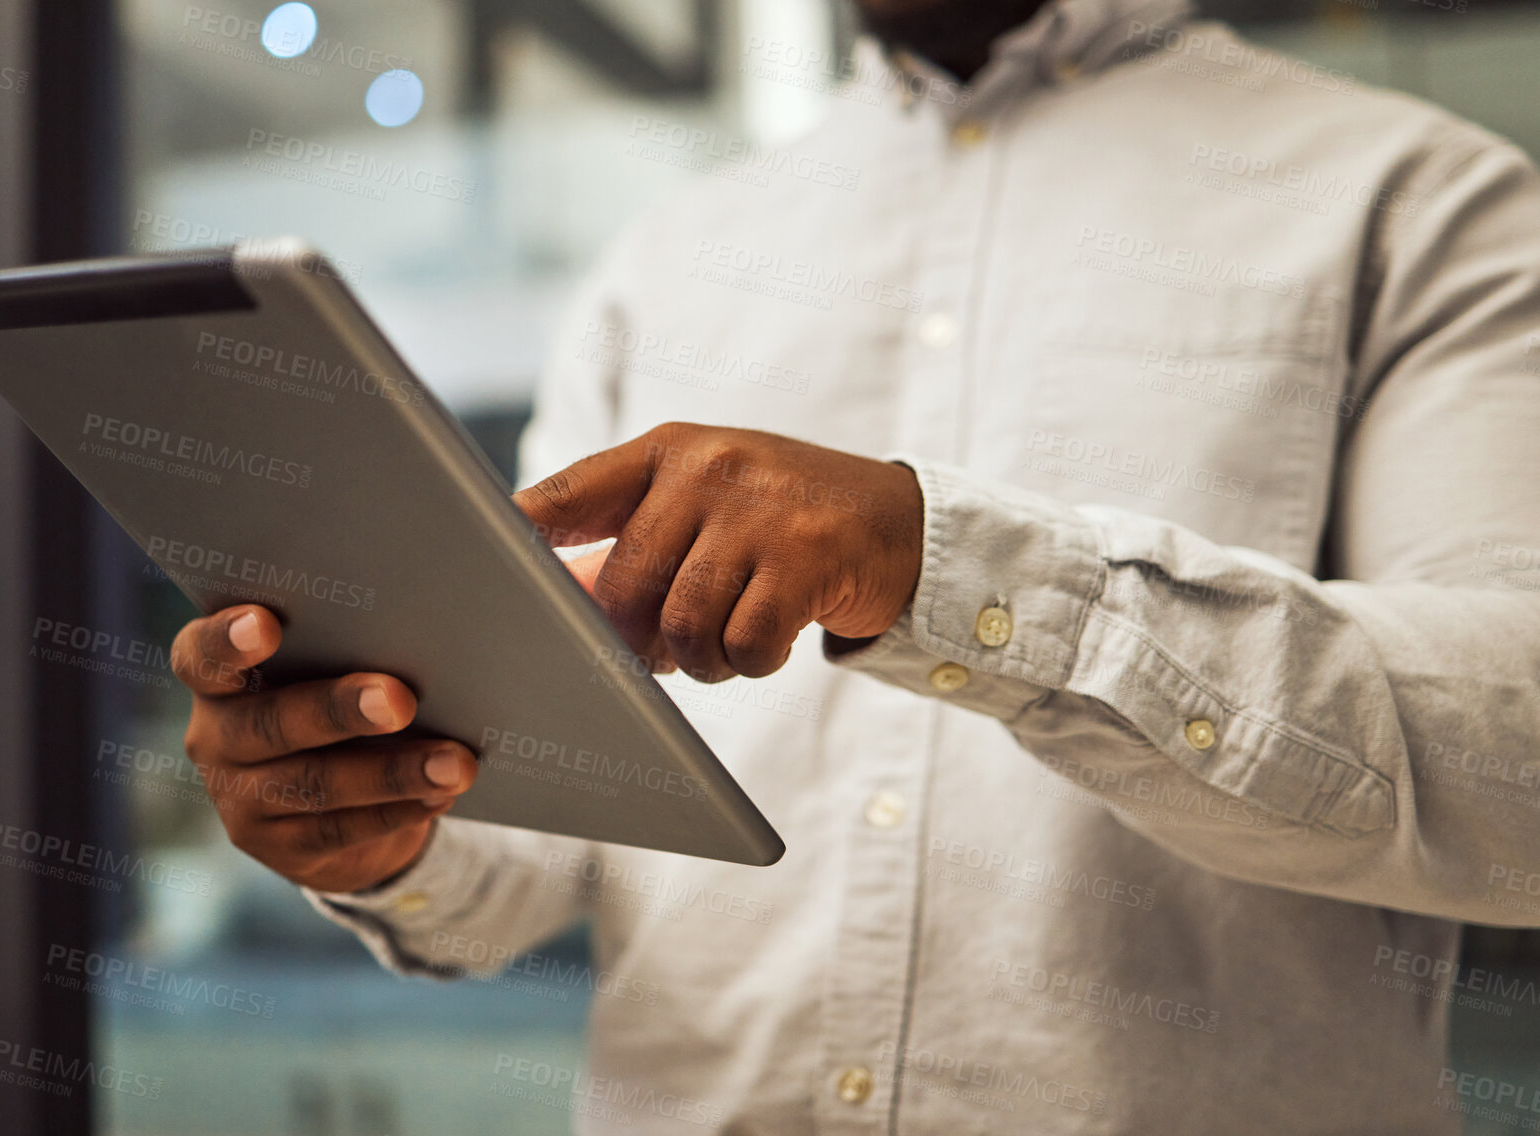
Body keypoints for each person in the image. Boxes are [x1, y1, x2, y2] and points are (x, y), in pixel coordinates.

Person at [171, 0, 1540, 1130]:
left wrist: (943, 567)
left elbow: (1515, 789)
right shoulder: (668, 261)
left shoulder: (1420, 205)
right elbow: (527, 857)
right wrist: (379, 817)